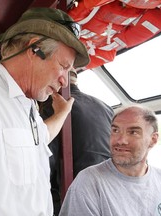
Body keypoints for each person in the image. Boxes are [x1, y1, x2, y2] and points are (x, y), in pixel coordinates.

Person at [0, 7, 89, 216]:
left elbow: (40, 137)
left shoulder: (26, 104)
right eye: (63, 66)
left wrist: (62, 114)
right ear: (34, 49)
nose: (64, 80)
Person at [59, 104, 161, 216]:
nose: (120, 140)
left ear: (153, 140)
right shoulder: (89, 182)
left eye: (133, 132)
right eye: (115, 130)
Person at [39, 69, 114, 215]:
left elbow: (45, 163)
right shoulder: (106, 107)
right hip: (106, 192)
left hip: (70, 197)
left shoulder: (54, 108)